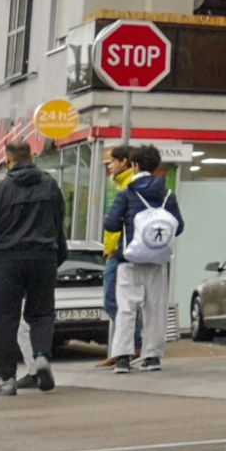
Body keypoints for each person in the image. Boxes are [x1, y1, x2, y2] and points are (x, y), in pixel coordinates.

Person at [0, 139, 67, 398]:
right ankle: (42, 356)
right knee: (42, 313)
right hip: (43, 258)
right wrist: (57, 255)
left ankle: (7, 380)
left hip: (7, 260)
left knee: (4, 320)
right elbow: (59, 224)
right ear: (32, 157)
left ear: (8, 159)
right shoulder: (50, 186)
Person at [106, 143, 182, 375]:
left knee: (126, 308)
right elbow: (179, 227)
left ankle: (122, 358)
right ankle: (151, 357)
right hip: (158, 261)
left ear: (135, 165)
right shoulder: (168, 194)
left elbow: (110, 223)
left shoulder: (126, 194)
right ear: (156, 165)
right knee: (155, 309)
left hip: (129, 260)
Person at [95, 142, 137, 368]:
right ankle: (123, 348)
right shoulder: (122, 184)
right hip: (116, 252)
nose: (109, 166)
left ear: (124, 162)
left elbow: (114, 224)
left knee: (114, 302)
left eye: (112, 161)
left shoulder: (128, 185)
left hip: (120, 254)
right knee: (119, 303)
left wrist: (112, 249)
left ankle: (131, 346)